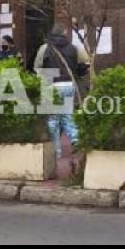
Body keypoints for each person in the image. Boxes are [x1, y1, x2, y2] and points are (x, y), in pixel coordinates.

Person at [34, 24, 84, 158]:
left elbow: (37, 68)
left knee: (53, 118)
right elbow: (82, 67)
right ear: (65, 32)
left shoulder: (45, 48)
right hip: (69, 84)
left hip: (52, 85)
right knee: (67, 114)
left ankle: (57, 151)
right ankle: (75, 139)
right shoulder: (74, 48)